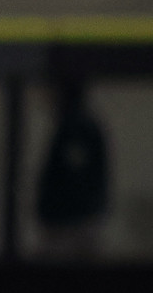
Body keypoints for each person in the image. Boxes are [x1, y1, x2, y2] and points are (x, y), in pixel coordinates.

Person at [36, 77, 109, 260]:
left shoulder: (76, 128)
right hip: (72, 222)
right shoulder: (75, 126)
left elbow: (75, 178)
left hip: (71, 225)